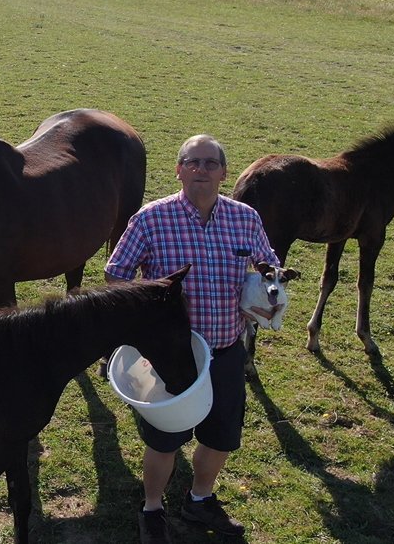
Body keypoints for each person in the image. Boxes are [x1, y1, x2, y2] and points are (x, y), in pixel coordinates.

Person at [105, 135, 279, 544]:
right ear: (179, 170)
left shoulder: (245, 218)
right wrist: (148, 309)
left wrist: (269, 289)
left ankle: (199, 499)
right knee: (165, 440)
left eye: (210, 163)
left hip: (226, 348)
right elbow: (116, 276)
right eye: (192, 162)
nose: (201, 169)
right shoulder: (151, 219)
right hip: (172, 357)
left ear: (224, 173)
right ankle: (152, 509)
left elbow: (268, 264)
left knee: (221, 436)